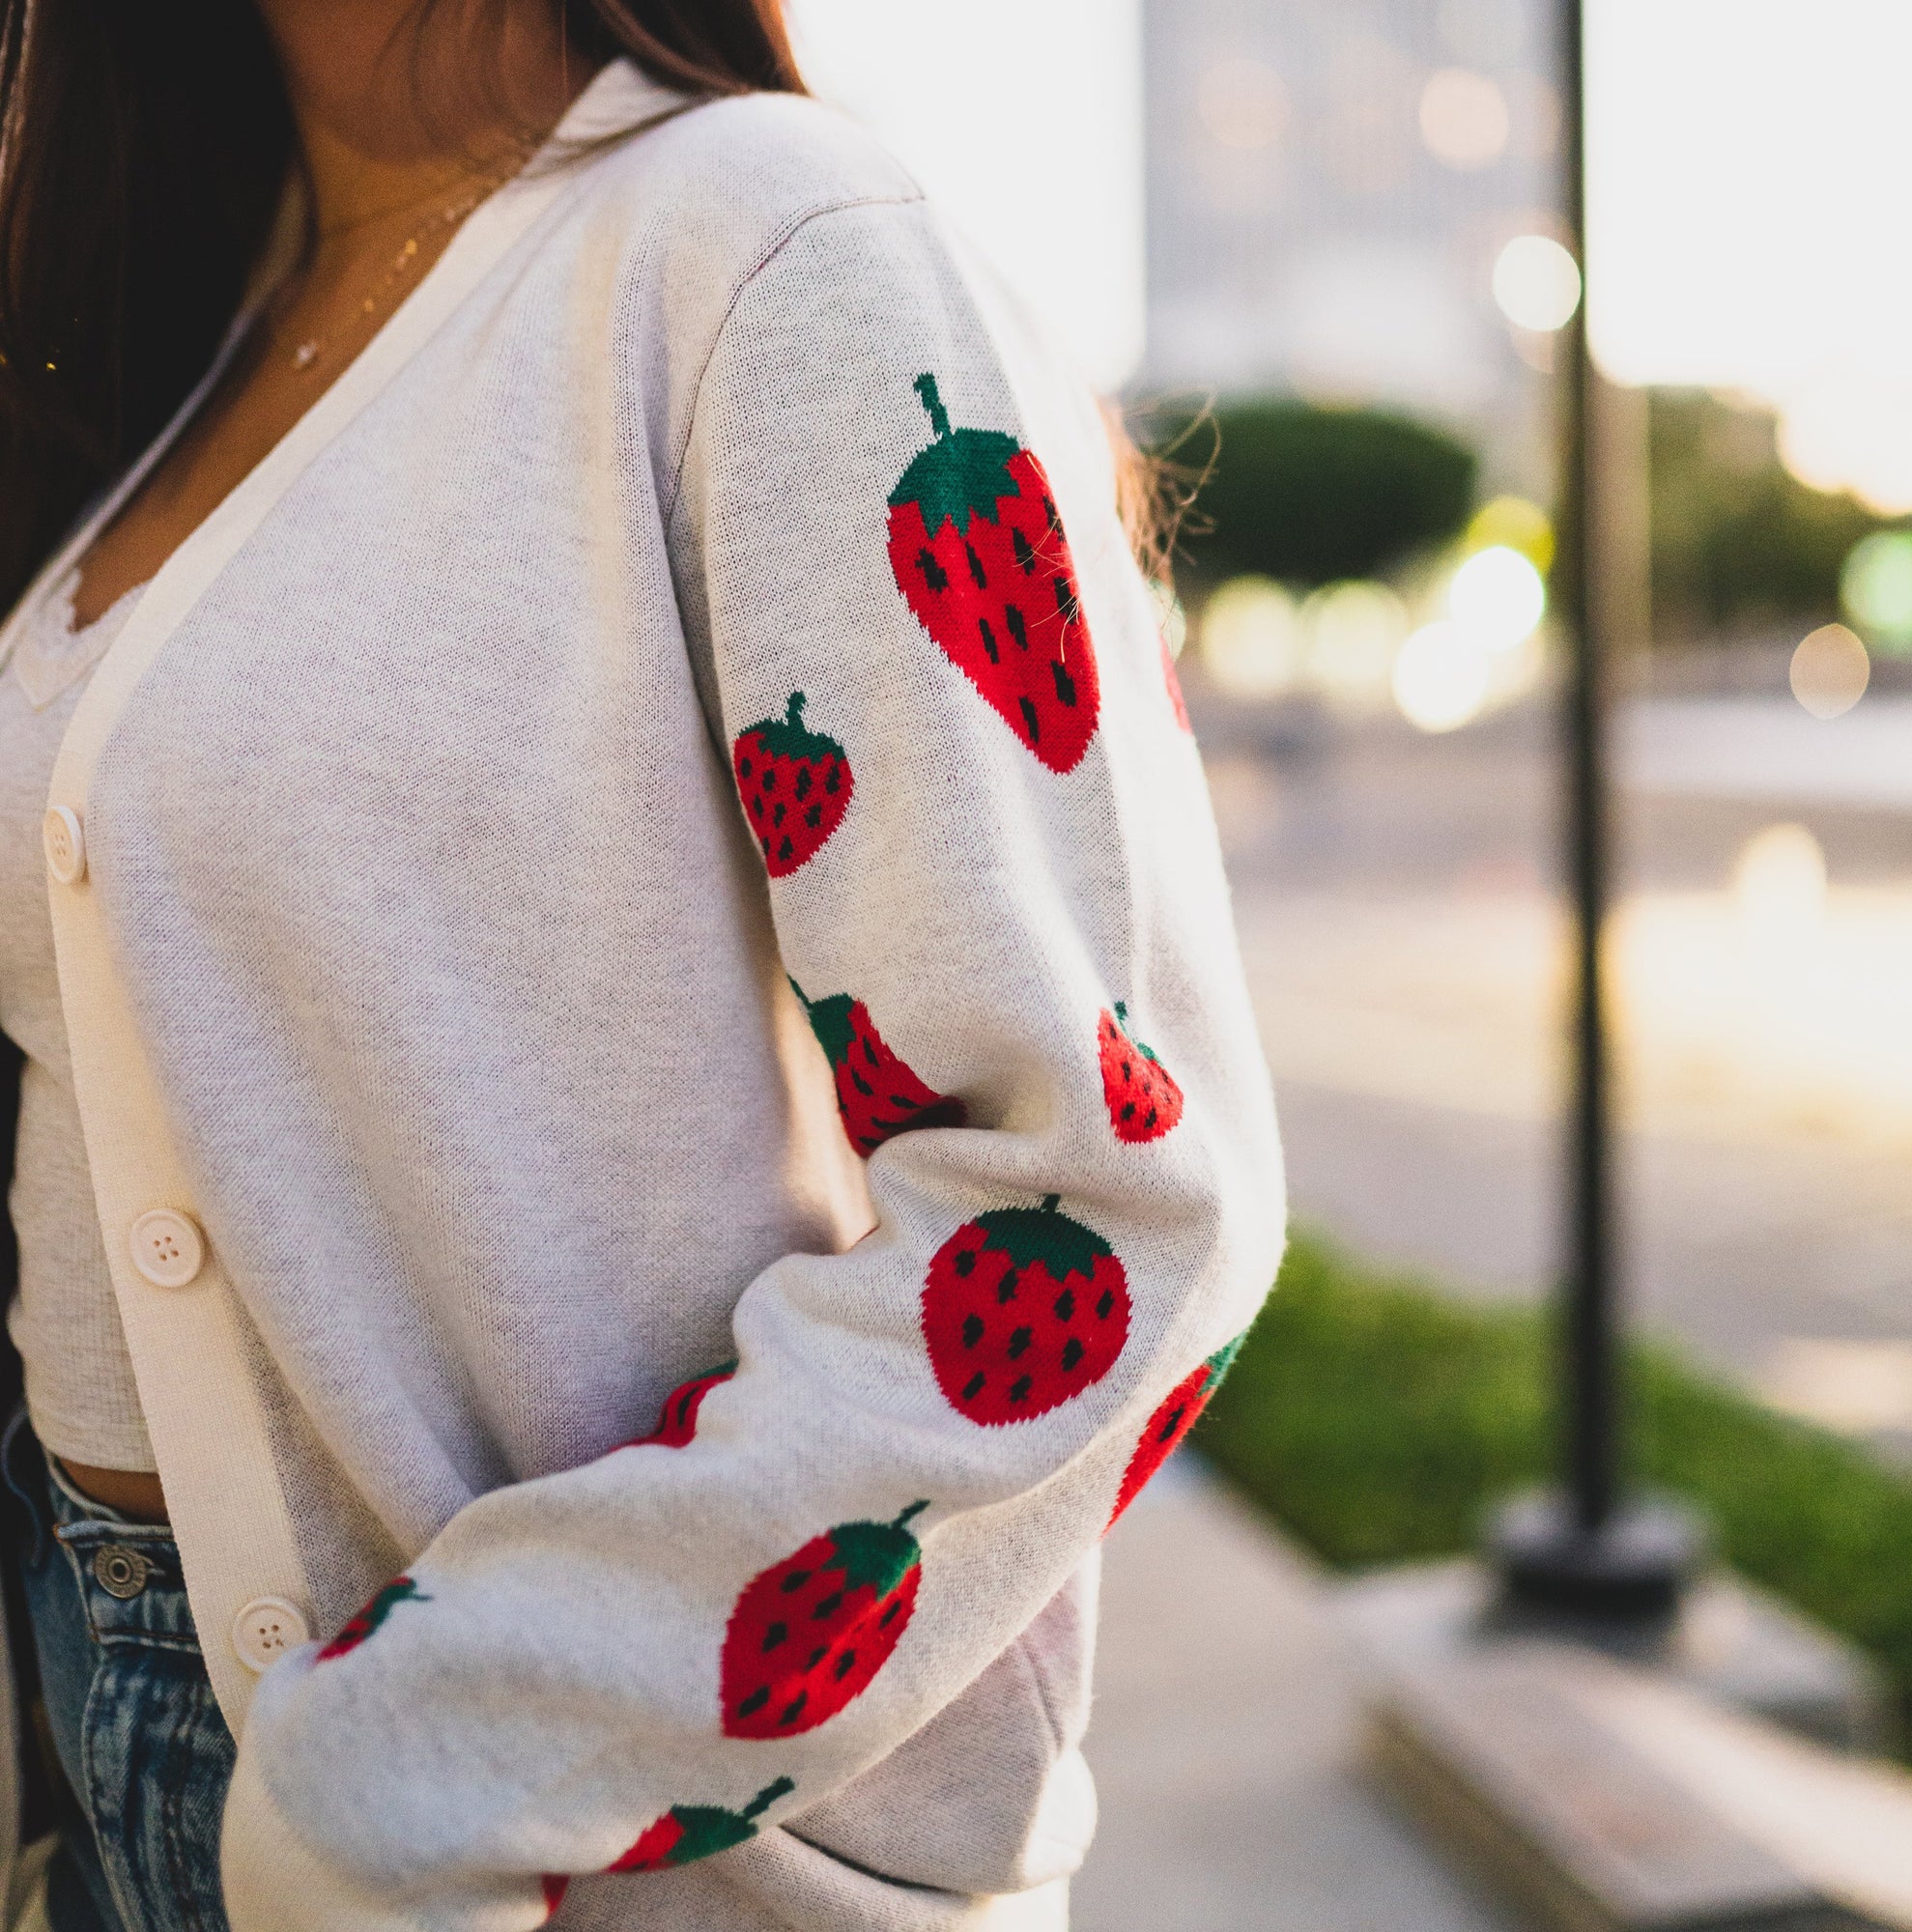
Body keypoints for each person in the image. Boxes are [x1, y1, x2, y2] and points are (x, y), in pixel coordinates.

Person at [0, 1, 1285, 1927]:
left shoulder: (765, 243)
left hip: (545, 1846)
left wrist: (424, 1761)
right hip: (114, 1762)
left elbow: (1105, 1203)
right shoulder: (173, 329)